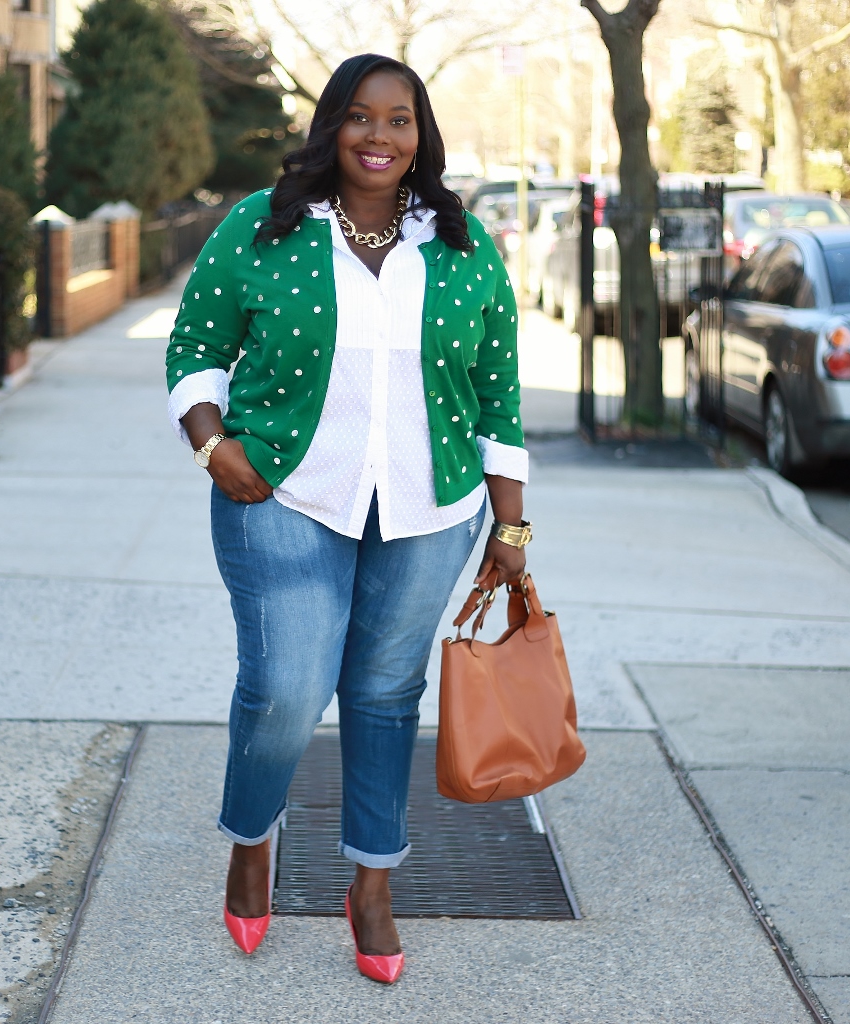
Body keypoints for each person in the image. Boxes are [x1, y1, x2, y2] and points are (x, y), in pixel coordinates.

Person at [165, 52, 529, 984]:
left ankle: (371, 885)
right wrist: (213, 445)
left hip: (429, 508)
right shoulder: (263, 226)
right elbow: (197, 347)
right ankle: (254, 841)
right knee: (286, 690)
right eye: (361, 118)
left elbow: (498, 390)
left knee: (381, 698)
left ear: (420, 136)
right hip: (282, 493)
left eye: (399, 119)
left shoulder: (461, 243)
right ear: (332, 127)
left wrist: (510, 527)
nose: (379, 136)